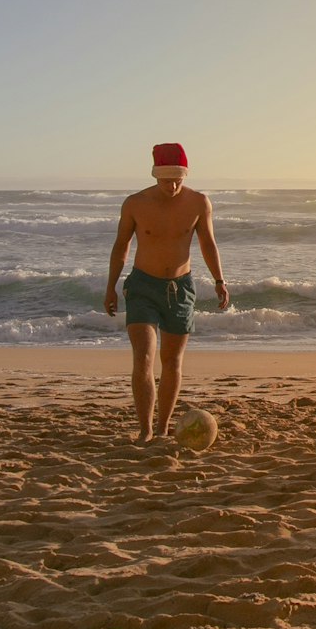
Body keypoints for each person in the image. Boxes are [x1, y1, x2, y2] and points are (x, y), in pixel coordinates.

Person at [103, 143, 230, 442]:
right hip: (143, 286)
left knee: (172, 361)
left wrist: (219, 280)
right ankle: (146, 430)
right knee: (144, 357)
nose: (172, 186)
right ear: (154, 175)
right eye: (165, 179)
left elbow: (208, 243)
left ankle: (162, 428)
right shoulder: (135, 203)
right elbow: (121, 246)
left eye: (178, 179)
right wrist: (111, 286)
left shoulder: (199, 202)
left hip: (180, 288)